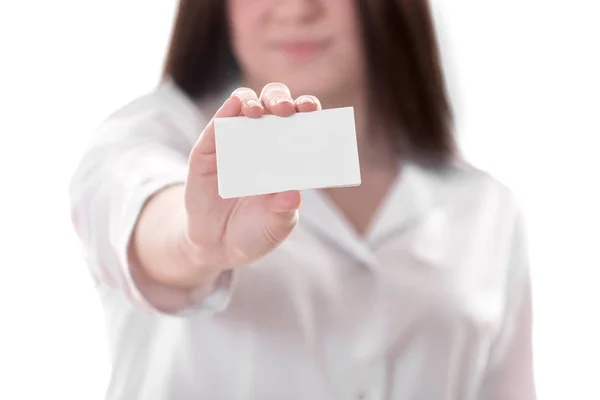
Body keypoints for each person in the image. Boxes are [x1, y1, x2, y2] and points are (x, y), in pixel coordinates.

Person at [69, 0, 536, 399]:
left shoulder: (484, 207)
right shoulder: (147, 139)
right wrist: (198, 244)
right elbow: (148, 220)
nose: (297, 9)